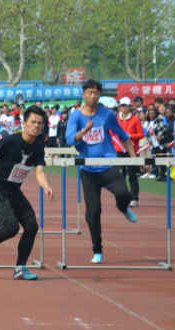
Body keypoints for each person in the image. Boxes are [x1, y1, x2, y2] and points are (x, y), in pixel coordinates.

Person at [0, 105, 53, 280]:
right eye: (33, 122)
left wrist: (46, 186)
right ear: (24, 123)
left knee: (31, 226)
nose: (36, 126)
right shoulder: (10, 141)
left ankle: (20, 268)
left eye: (40, 123)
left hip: (14, 191)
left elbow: (39, 171)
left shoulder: (38, 146)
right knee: (11, 228)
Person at [65, 80, 137, 264]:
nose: (93, 96)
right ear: (83, 94)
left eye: (96, 93)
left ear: (100, 95)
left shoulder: (107, 114)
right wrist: (84, 130)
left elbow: (124, 136)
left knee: (124, 193)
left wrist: (134, 158)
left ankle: (123, 207)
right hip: (88, 169)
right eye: (89, 92)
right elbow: (69, 140)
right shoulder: (75, 116)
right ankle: (97, 250)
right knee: (93, 211)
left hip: (108, 165)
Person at [115, 97, 144, 207]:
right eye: (121, 105)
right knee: (120, 175)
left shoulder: (135, 119)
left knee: (132, 175)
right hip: (119, 150)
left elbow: (141, 134)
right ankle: (123, 198)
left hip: (131, 150)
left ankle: (134, 198)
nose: (122, 108)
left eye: (125, 105)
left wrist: (131, 136)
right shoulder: (116, 118)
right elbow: (111, 132)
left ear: (129, 107)